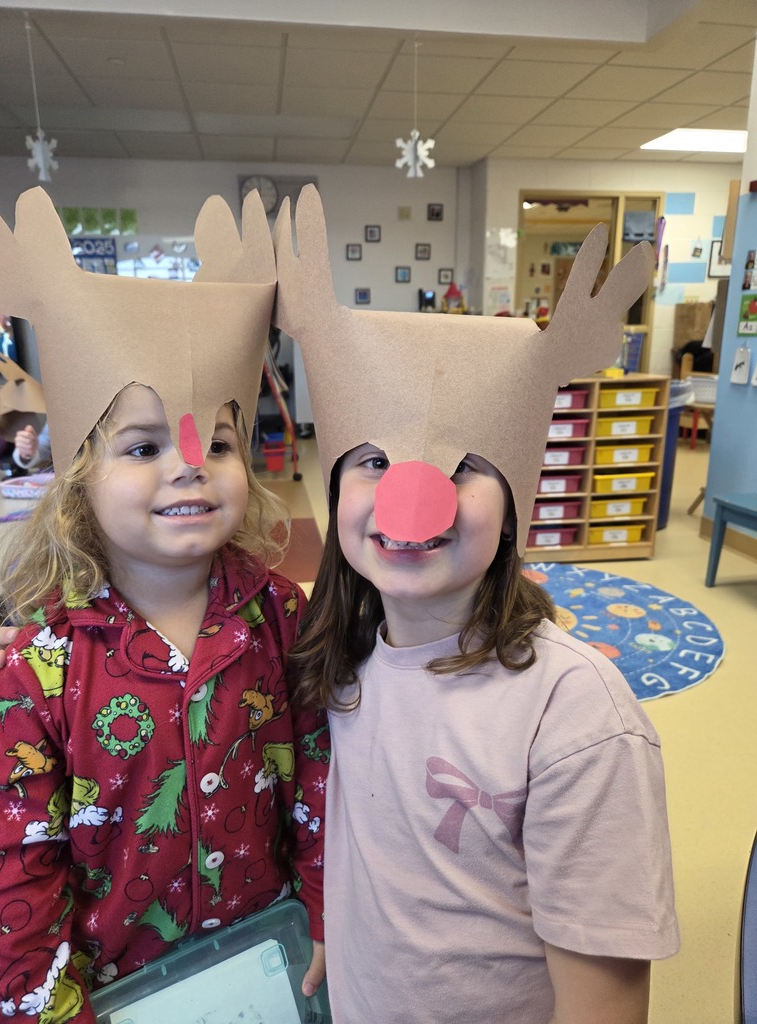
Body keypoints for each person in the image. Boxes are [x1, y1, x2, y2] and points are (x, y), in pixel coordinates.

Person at [273, 185, 679, 1023]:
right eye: (375, 460)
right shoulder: (339, 649)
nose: (412, 499)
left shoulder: (575, 719)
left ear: (517, 501)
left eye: (462, 467)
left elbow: (602, 1005)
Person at [0, 186, 326, 1024]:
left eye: (216, 441)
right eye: (143, 447)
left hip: (266, 968)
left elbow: (321, 775)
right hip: (111, 994)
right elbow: (13, 855)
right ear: (77, 482)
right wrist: (41, 1005)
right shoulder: (36, 658)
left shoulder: (281, 613)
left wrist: (326, 909)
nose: (189, 465)